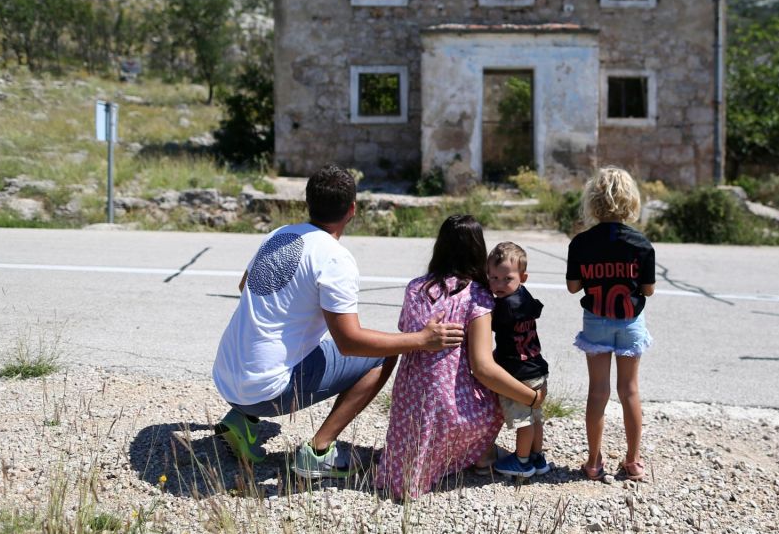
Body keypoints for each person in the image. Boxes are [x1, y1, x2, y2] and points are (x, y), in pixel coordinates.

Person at [211, 165, 464, 478]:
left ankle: (240, 419)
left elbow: (244, 287)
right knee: (382, 355)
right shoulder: (334, 257)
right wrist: (422, 340)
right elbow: (350, 342)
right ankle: (319, 451)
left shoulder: (279, 235)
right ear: (352, 209)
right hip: (265, 389)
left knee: (289, 343)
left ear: (308, 203)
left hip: (225, 377)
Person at [375, 215, 547, 499]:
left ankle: (436, 460)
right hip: (452, 411)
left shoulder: (415, 287)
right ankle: (480, 455)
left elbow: (405, 330)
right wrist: (529, 397)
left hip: (409, 403)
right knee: (497, 399)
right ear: (478, 250)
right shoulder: (477, 294)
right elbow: (482, 368)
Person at [565, 166, 656, 482]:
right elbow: (648, 290)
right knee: (629, 390)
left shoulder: (581, 243)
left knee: (598, 391)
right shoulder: (641, 244)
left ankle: (593, 462)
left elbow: (574, 287)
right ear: (631, 200)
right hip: (630, 320)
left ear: (592, 201)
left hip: (596, 320)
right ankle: (633, 460)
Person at [486, 242, 552, 479]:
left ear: (523, 277)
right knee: (536, 417)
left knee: (523, 421)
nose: (499, 285)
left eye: (507, 279)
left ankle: (522, 462)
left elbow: (485, 327)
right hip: (537, 366)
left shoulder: (504, 306)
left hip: (518, 373)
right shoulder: (524, 296)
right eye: (493, 278)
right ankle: (537, 456)